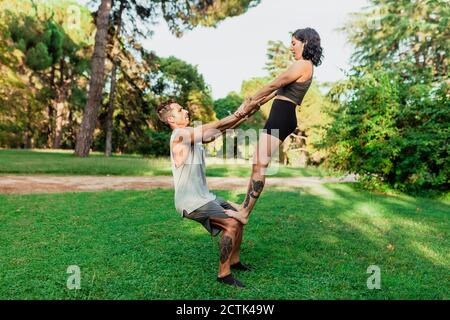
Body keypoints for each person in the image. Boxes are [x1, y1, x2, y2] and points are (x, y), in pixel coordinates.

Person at [156, 93, 274, 287]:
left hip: (204, 197)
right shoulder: (179, 135)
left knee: (238, 214)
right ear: (171, 119)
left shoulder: (191, 136)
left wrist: (245, 115)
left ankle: (234, 262)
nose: (185, 110)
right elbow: (217, 125)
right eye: (180, 110)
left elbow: (219, 131)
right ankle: (223, 274)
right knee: (231, 224)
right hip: (191, 202)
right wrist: (241, 111)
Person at [233, 28, 324, 225]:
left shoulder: (303, 65)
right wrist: (255, 105)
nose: (291, 47)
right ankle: (243, 207)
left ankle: (245, 213)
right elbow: (276, 92)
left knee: (260, 164)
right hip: (280, 113)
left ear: (305, 42)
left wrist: (248, 101)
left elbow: (274, 84)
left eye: (294, 43)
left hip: (282, 116)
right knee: (257, 163)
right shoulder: (301, 65)